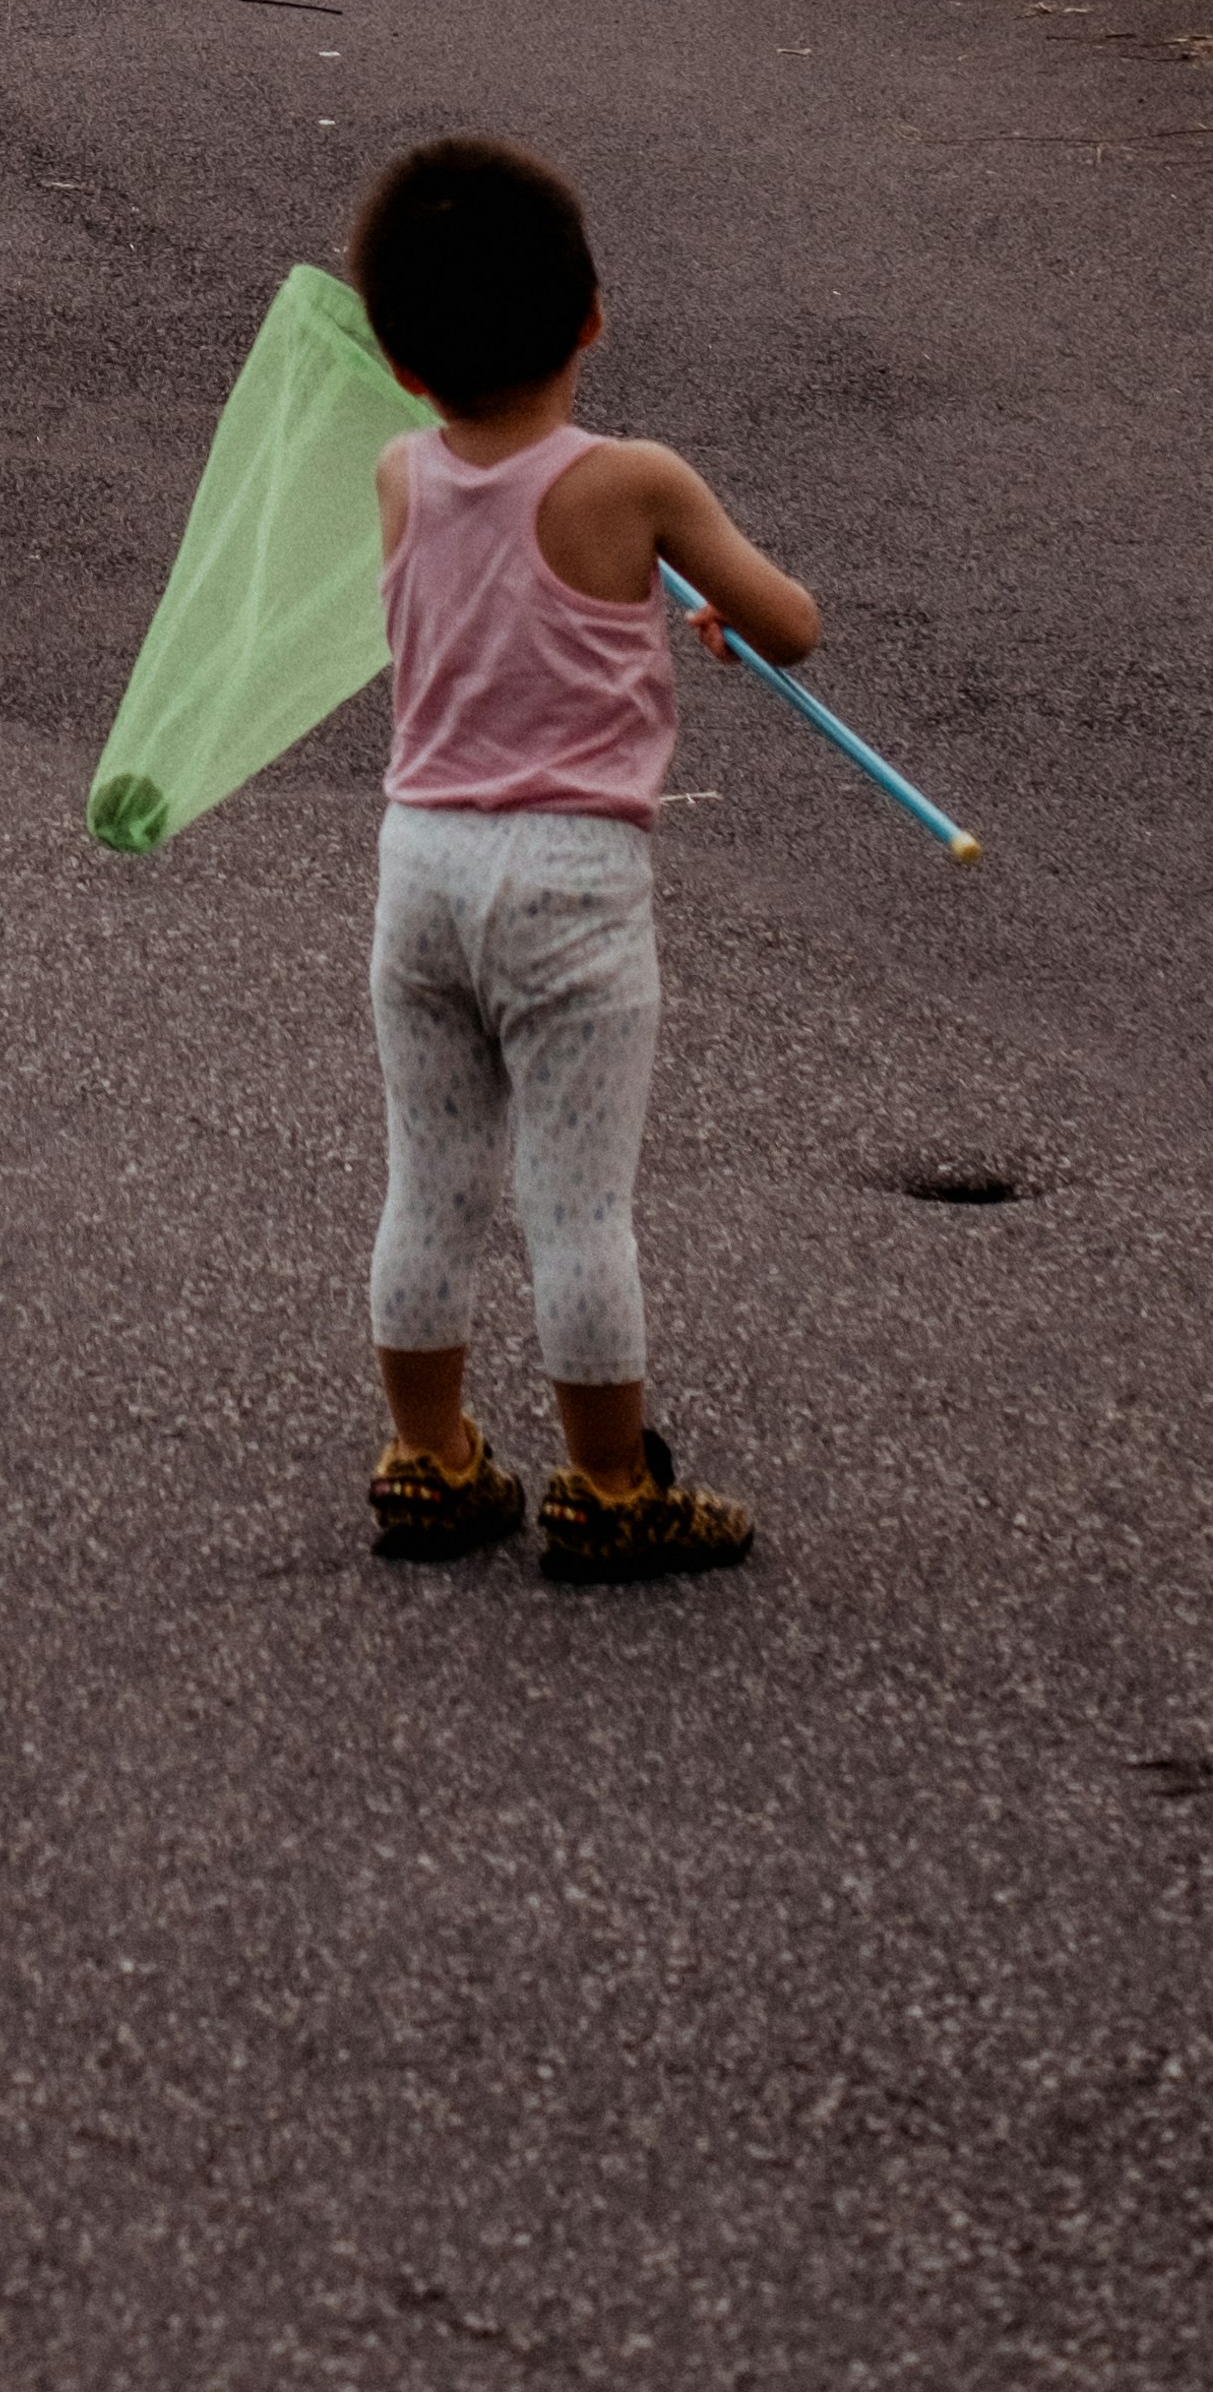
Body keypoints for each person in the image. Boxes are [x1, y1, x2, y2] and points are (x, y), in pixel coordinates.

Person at [343, 134, 819, 1582]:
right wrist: (716, 613)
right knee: (575, 1208)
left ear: (403, 363)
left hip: (422, 867)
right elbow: (788, 623)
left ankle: (429, 1462)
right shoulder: (635, 483)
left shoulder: (397, 474)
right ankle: (611, 1486)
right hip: (570, 887)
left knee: (430, 1182)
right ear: (595, 315)